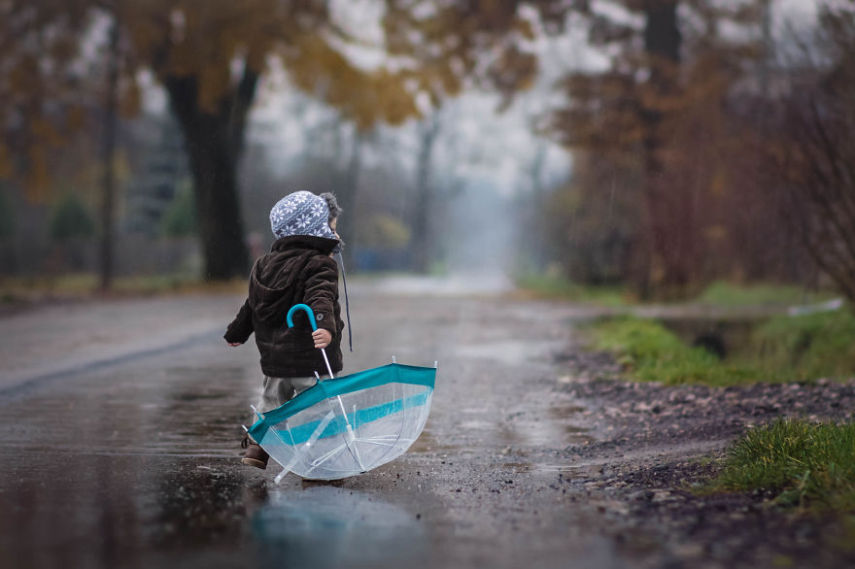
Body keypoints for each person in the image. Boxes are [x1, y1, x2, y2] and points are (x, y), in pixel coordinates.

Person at [224, 191, 346, 469]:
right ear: (315, 229)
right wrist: (325, 326)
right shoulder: (319, 264)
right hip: (311, 359)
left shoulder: (264, 264)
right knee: (318, 409)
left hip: (276, 361)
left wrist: (237, 333)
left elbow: (252, 304)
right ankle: (320, 463)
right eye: (328, 226)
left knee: (271, 404)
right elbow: (321, 297)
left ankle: (257, 448)